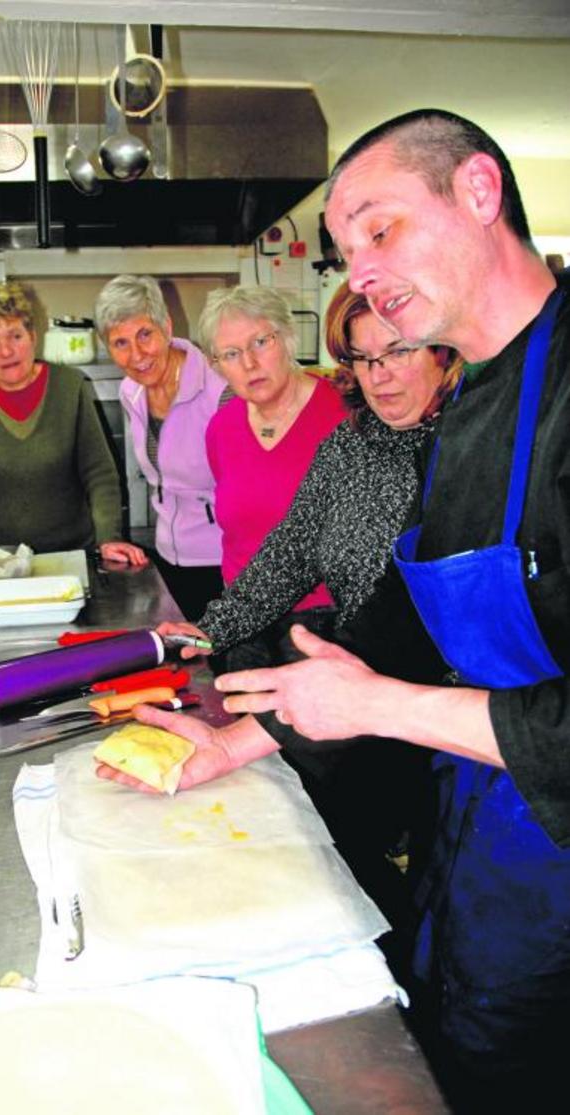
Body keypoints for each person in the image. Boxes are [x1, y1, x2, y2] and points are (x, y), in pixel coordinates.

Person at [100, 110, 570, 1109]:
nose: (360, 272)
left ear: (480, 192)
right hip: (481, 831)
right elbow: (407, 608)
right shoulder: (482, 404)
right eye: (346, 249)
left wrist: (375, 706)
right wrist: (249, 731)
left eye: (379, 228)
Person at [158, 282, 459, 949]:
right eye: (360, 358)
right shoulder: (348, 447)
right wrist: (208, 630)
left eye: (397, 351)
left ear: (441, 349)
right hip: (357, 691)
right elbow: (286, 556)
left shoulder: (463, 448)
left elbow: (409, 615)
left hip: (454, 716)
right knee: (352, 869)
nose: (377, 376)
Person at [0, 281, 145, 562]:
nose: (6, 352)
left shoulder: (70, 387)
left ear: (33, 334)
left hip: (70, 557)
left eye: (15, 336)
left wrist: (109, 539)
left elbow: (100, 475)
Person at [198, 285, 347, 668]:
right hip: (243, 623)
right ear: (217, 366)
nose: (249, 363)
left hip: (324, 622)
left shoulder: (344, 415)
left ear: (287, 336)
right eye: (231, 354)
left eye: (260, 342)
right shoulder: (222, 428)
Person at [94, 274, 230, 619]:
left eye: (144, 334)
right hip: (168, 557)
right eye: (120, 343)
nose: (137, 354)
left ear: (167, 327)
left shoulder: (219, 391)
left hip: (225, 563)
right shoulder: (131, 392)